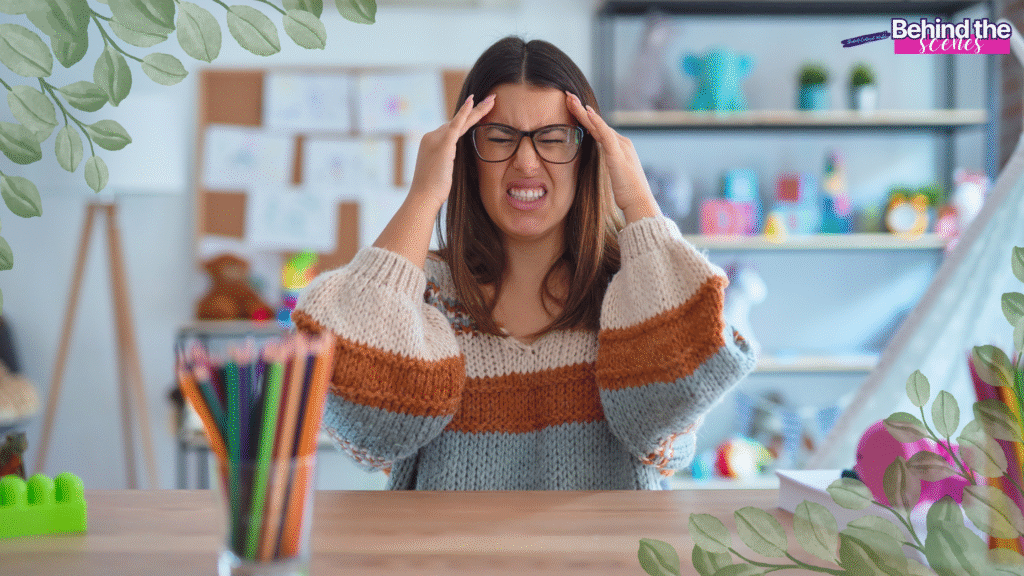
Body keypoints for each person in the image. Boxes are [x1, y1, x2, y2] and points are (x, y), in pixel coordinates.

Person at [292, 36, 756, 490]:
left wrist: (635, 197)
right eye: (499, 137)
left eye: (553, 139)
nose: (528, 162)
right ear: (466, 155)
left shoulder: (633, 293)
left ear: (588, 153)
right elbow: (366, 426)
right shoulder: (425, 296)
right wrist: (422, 197)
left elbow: (672, 420)